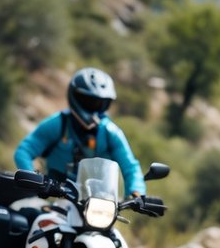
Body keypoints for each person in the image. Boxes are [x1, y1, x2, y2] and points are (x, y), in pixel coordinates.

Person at [14, 67, 146, 196]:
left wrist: (137, 192)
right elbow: (24, 151)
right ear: (75, 96)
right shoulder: (58, 124)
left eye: (101, 104)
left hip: (96, 203)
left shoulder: (110, 133)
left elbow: (130, 167)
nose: (95, 109)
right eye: (90, 102)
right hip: (54, 199)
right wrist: (35, 180)